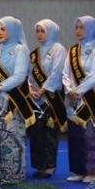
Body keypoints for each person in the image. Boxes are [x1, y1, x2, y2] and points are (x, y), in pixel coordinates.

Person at [0, 16, 34, 186]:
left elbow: (19, 76)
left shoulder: (21, 50)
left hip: (13, 102)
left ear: (12, 30)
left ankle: (13, 175)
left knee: (13, 138)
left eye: (3, 29)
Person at [64, 14, 95, 184]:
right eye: (76, 27)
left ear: (91, 29)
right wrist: (69, 89)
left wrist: (78, 90)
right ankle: (77, 170)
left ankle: (92, 171)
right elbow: (65, 73)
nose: (78, 31)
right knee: (75, 137)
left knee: (91, 137)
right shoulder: (72, 50)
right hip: (73, 101)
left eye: (81, 27)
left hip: (91, 100)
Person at [28, 18, 67, 178]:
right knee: (36, 131)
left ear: (51, 32)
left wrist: (43, 89)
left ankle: (49, 166)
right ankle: (39, 165)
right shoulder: (35, 53)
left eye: (42, 31)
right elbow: (29, 74)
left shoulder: (59, 49)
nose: (39, 34)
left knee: (49, 132)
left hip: (51, 97)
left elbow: (57, 73)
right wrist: (30, 89)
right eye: (37, 31)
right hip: (35, 99)